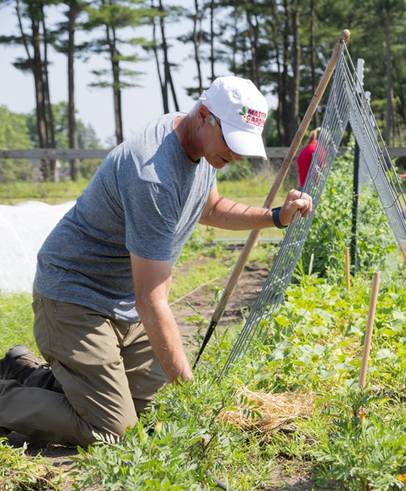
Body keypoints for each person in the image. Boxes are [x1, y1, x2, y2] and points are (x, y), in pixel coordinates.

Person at [0, 76, 313, 447]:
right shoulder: (153, 175)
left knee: (154, 408)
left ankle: (27, 370)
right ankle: (9, 399)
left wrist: (275, 217)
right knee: (114, 430)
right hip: (75, 299)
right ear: (204, 115)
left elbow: (209, 206)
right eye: (231, 141)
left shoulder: (197, 145)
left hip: (121, 305)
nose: (237, 155)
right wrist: (193, 397)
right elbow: (153, 300)